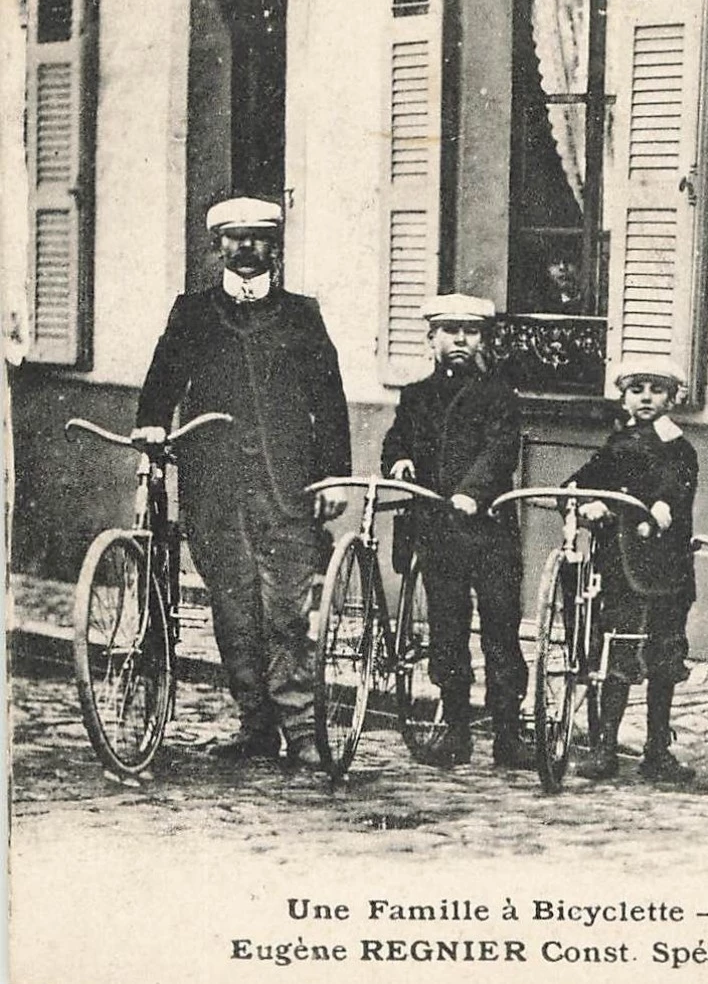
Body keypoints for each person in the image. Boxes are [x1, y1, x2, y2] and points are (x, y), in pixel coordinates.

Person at [134, 196, 350, 770]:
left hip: (288, 488)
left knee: (285, 609)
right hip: (214, 487)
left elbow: (328, 401)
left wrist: (333, 475)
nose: (246, 248)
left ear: (274, 249)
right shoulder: (192, 313)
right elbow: (162, 379)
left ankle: (302, 728)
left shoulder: (302, 314)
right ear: (217, 248)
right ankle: (256, 726)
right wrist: (152, 421)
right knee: (233, 609)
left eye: (258, 238)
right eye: (235, 238)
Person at [380, 294, 526, 768]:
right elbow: (397, 438)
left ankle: (508, 735)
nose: (460, 340)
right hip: (437, 532)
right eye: (450, 331)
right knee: (447, 630)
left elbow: (500, 450)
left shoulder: (500, 395)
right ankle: (456, 730)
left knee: (500, 632)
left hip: (488, 533)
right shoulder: (417, 396)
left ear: (483, 339)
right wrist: (399, 459)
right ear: (432, 339)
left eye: (471, 332)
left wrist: (472, 491)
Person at [568, 355, 699, 784]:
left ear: (672, 399)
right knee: (618, 651)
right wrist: (580, 497)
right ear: (623, 398)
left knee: (664, 656)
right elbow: (591, 477)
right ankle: (605, 747)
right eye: (637, 390)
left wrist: (660, 507)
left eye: (656, 390)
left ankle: (658, 750)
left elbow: (674, 487)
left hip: (665, 569)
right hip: (621, 566)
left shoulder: (678, 447)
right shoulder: (616, 443)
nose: (646, 398)